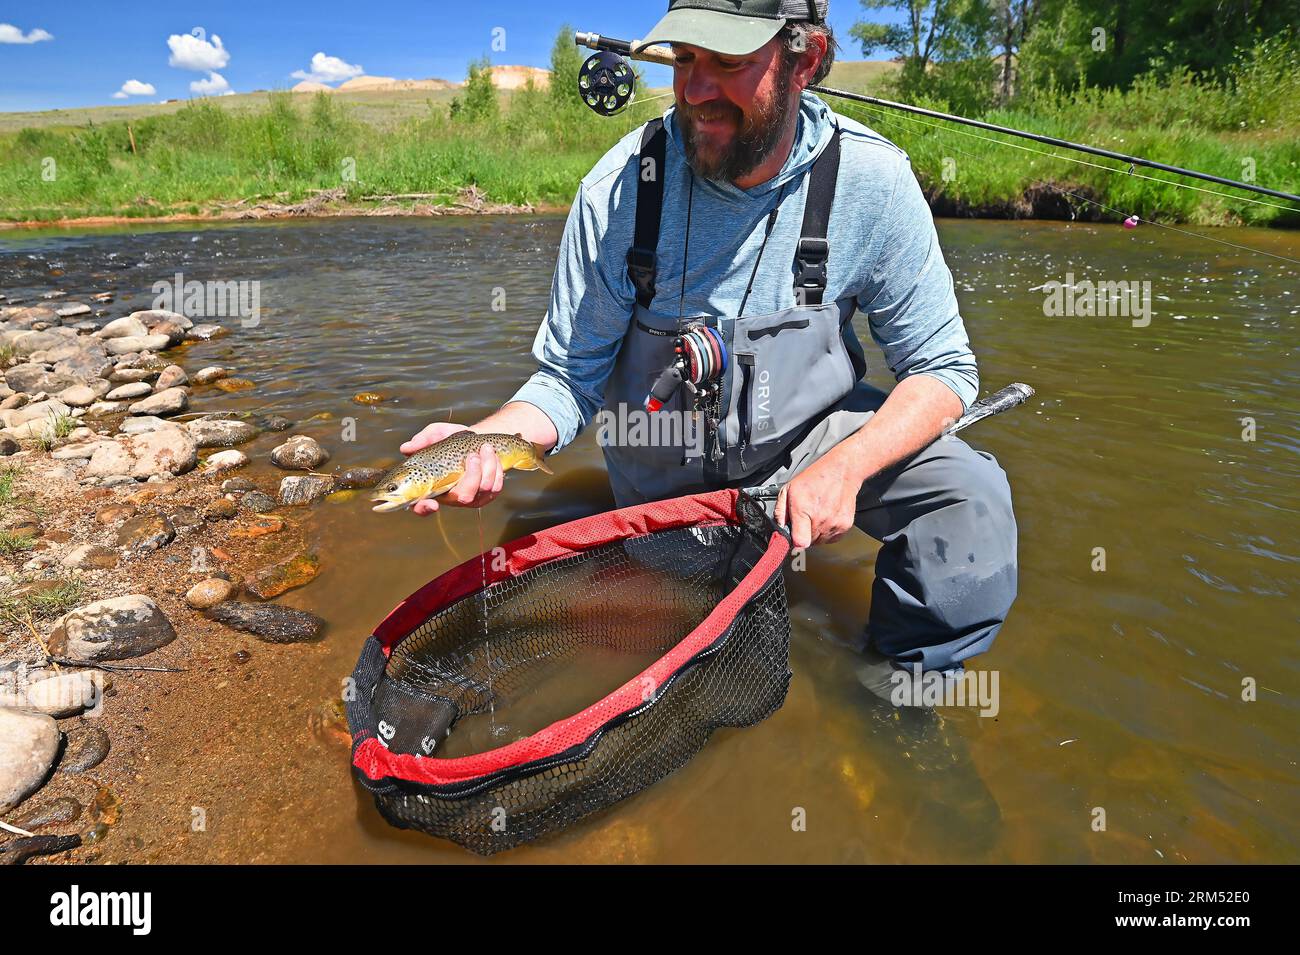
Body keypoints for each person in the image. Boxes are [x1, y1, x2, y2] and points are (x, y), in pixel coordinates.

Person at [402, 0, 1017, 688]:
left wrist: (846, 467)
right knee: (620, 654)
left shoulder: (872, 185)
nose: (696, 90)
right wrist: (485, 441)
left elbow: (942, 369)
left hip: (805, 454)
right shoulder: (616, 193)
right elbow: (568, 380)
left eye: (727, 62)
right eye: (685, 59)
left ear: (804, 61)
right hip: (659, 482)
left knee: (970, 500)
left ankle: (901, 693)